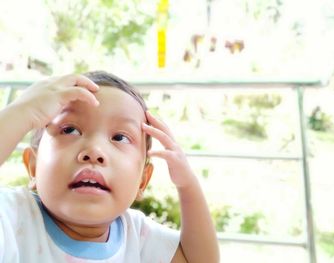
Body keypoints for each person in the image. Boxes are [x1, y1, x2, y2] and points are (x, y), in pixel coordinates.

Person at [0, 71, 220, 262]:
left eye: (119, 137)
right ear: (33, 166)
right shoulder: (12, 219)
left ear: (142, 180)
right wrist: (22, 111)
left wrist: (187, 185)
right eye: (69, 130)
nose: (94, 151)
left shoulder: (138, 238)